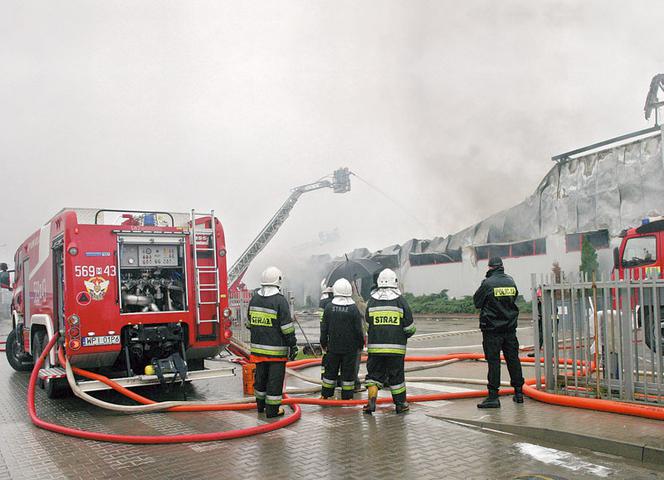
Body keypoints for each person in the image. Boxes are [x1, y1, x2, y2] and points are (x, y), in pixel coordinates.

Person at [473, 257, 524, 408]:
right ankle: (519, 393)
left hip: (492, 330)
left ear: (490, 268)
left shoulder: (487, 283)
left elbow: (477, 302)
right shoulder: (511, 281)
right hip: (510, 329)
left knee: (494, 362)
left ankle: (493, 397)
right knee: (513, 360)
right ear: (501, 267)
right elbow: (513, 299)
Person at [247, 266, 298, 418]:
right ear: (278, 281)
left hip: (258, 351)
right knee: (274, 382)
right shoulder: (280, 301)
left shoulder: (254, 298)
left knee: (260, 380)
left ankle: (261, 407)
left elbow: (249, 323)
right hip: (276, 353)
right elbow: (287, 328)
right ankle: (273, 411)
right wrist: (292, 345)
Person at [363, 268, 415, 414]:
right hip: (396, 350)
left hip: (375, 350)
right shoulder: (401, 302)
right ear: (395, 283)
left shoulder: (372, 302)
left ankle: (371, 403)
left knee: (374, 376)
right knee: (396, 377)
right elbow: (410, 328)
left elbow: (367, 326)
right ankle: (401, 405)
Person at [319, 278, 365, 400]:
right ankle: (347, 397)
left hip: (333, 347)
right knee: (348, 374)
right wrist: (361, 344)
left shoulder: (329, 307)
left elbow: (324, 328)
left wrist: (323, 343)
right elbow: (358, 329)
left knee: (330, 372)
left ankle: (325, 395)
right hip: (350, 348)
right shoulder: (353, 308)